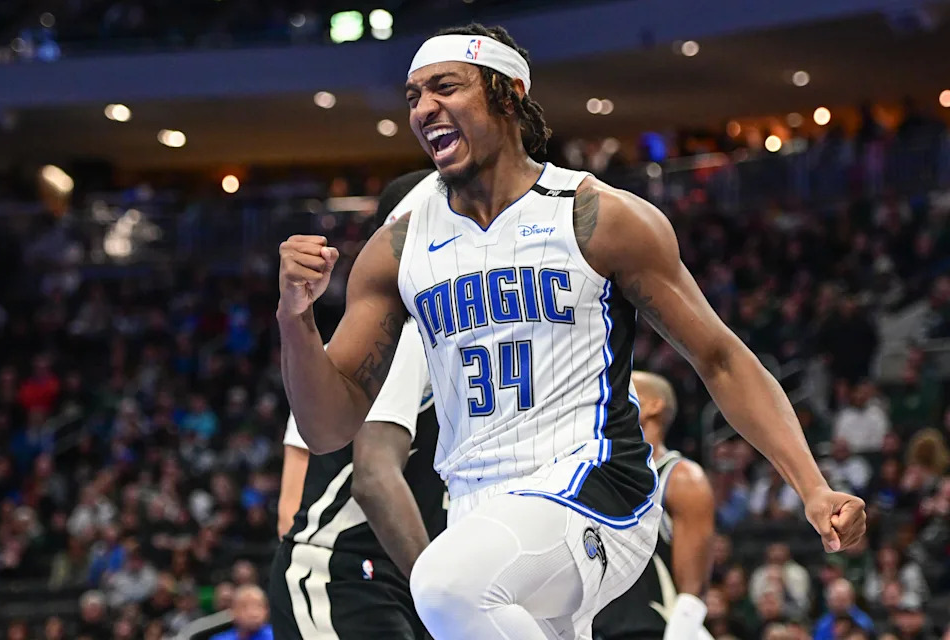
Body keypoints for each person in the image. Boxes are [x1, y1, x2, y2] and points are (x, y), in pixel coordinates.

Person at [276, 23, 867, 639]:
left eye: (444, 88)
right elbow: (327, 428)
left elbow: (719, 357)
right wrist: (295, 316)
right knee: (459, 590)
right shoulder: (398, 246)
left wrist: (812, 486)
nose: (424, 109)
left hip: (594, 487)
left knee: (443, 585)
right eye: (413, 96)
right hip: (477, 508)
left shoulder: (596, 217)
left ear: (507, 93)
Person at [269, 170, 447, 640]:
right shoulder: (405, 328)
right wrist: (444, 595)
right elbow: (369, 478)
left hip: (390, 578)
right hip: (347, 574)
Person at [592, 371, 715, 640]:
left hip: (654, 630)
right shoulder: (594, 476)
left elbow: (693, 591)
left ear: (654, 405)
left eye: (623, 390)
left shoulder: (682, 478)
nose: (608, 397)